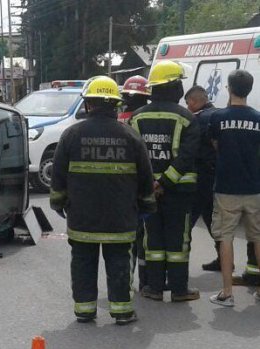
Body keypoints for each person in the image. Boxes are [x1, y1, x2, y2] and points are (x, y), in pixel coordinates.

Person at [51, 76, 155, 325]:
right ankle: (121, 311)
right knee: (119, 261)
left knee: (83, 262)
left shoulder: (71, 135)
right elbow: (145, 177)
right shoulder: (130, 136)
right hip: (120, 218)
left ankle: (85, 310)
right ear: (115, 105)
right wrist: (146, 206)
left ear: (89, 105)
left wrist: (58, 203)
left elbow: (58, 175)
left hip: (82, 218)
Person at [130, 60, 201, 302]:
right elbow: (187, 157)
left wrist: (151, 183)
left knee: (153, 239)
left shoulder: (137, 118)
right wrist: (165, 183)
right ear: (173, 86)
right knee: (178, 240)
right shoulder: (187, 118)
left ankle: (154, 288)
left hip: (148, 192)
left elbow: (134, 156)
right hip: (179, 191)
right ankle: (179, 290)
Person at [208, 69, 260, 306]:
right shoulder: (258, 119)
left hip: (227, 187)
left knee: (225, 237)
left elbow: (216, 146)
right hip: (254, 187)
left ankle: (227, 292)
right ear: (249, 90)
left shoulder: (218, 118)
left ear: (228, 88)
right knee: (258, 237)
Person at [119, 75, 151, 290]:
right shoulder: (143, 118)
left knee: (130, 240)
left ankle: (127, 283)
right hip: (141, 184)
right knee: (143, 238)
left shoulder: (120, 119)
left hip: (124, 186)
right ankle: (145, 281)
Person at [184, 85, 220, 271]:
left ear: (195, 101)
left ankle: (179, 266)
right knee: (211, 218)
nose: (187, 106)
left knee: (187, 221)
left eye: (188, 102)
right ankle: (224, 259)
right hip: (216, 176)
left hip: (200, 176)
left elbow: (190, 148)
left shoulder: (198, 119)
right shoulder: (218, 114)